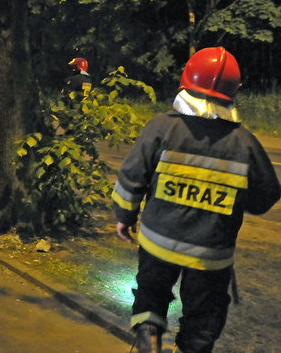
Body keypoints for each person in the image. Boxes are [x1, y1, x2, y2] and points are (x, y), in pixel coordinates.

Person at [112, 47, 280, 353]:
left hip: (157, 242)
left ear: (186, 82)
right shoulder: (245, 143)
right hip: (211, 255)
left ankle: (148, 333)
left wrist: (125, 216)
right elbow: (263, 198)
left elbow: (132, 176)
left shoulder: (162, 127)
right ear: (233, 93)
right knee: (203, 320)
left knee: (151, 295)